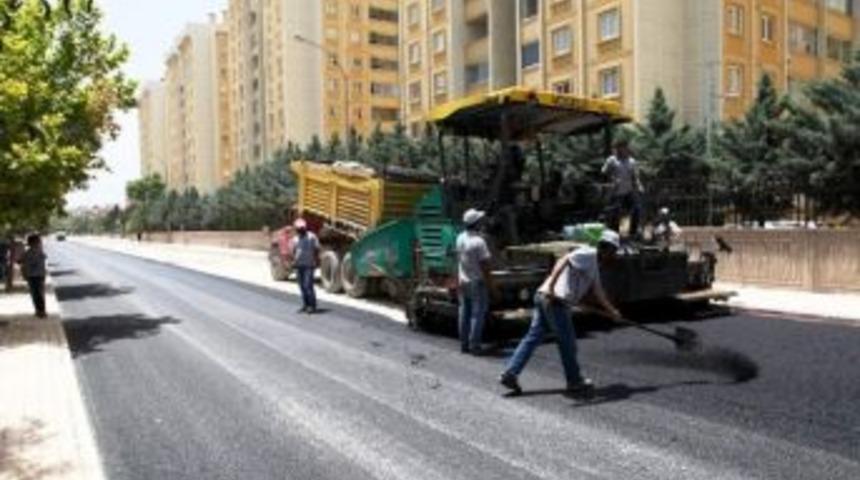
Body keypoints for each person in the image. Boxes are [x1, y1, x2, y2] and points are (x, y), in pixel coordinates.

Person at [499, 230, 623, 396]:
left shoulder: (594, 264)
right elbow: (564, 260)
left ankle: (510, 373)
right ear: (606, 248)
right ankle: (574, 381)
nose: (613, 256)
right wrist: (552, 287)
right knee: (568, 343)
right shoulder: (588, 254)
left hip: (544, 297)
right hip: (554, 300)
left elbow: (598, 291)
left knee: (533, 338)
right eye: (613, 251)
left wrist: (612, 311)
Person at [456, 209, 494, 355]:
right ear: (476, 224)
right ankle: (474, 345)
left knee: (464, 312)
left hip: (463, 280)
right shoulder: (479, 242)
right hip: (477, 282)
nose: (482, 223)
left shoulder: (460, 238)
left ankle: (464, 344)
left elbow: (459, 259)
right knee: (477, 314)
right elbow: (485, 267)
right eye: (480, 221)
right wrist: (492, 287)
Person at [602, 139, 644, 238]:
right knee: (615, 212)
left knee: (637, 209)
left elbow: (635, 176)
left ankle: (633, 232)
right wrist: (612, 178)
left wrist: (639, 185)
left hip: (629, 190)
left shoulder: (631, 161)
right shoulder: (612, 160)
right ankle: (615, 234)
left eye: (625, 147)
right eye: (621, 147)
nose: (623, 149)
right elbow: (604, 172)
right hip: (616, 191)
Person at [290, 218, 320, 314]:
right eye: (298, 229)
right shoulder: (295, 239)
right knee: (302, 286)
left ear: (304, 228)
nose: (300, 230)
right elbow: (294, 251)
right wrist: (293, 262)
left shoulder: (312, 237)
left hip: (309, 265)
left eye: (301, 228)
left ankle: (312, 306)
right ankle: (305, 305)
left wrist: (316, 260)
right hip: (299, 265)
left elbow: (317, 249)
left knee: (308, 285)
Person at [19, 234, 47, 318]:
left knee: (36, 294)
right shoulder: (36, 252)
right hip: (37, 275)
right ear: (34, 242)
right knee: (38, 294)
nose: (39, 243)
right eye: (38, 241)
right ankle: (40, 311)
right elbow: (21, 261)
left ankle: (40, 311)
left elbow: (20, 261)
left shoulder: (29, 252)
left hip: (33, 276)